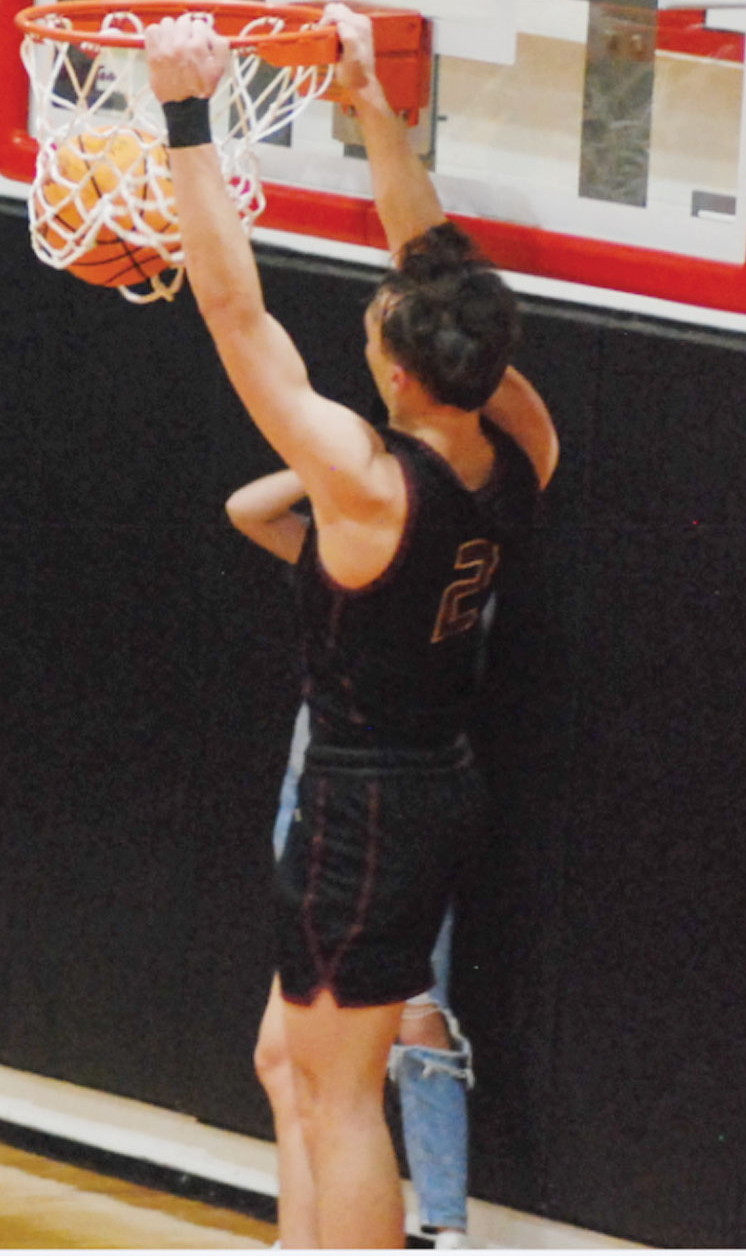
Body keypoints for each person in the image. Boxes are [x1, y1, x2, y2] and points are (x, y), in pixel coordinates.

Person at [143, 2, 558, 1250]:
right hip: (425, 787)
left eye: (379, 329)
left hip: (364, 810)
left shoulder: (368, 484)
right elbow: (439, 269)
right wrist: (371, 103)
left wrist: (186, 116)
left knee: (337, 1100)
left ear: (397, 374)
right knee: (290, 1066)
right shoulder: (523, 442)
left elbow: (236, 316)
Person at [225, 468, 477, 1247]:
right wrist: (335, 460)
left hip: (372, 808)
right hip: (336, 796)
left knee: (375, 1059)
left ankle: (443, 1222)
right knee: (286, 1060)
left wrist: (361, 461)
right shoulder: (363, 547)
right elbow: (247, 510)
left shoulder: (417, 556)